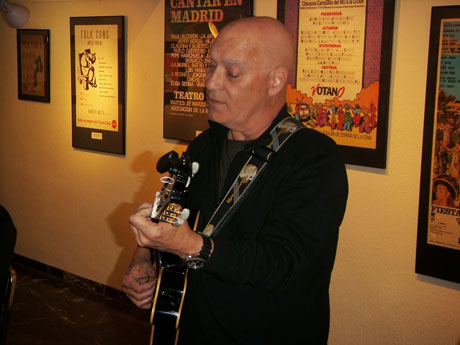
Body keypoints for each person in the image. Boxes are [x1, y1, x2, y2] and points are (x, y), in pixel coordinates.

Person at [122, 17, 348, 345]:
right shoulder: (204, 146)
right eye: (211, 66)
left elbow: (282, 264)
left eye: (232, 72)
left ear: (275, 81)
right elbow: (171, 221)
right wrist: (144, 258)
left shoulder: (313, 158)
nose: (211, 83)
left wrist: (190, 245)